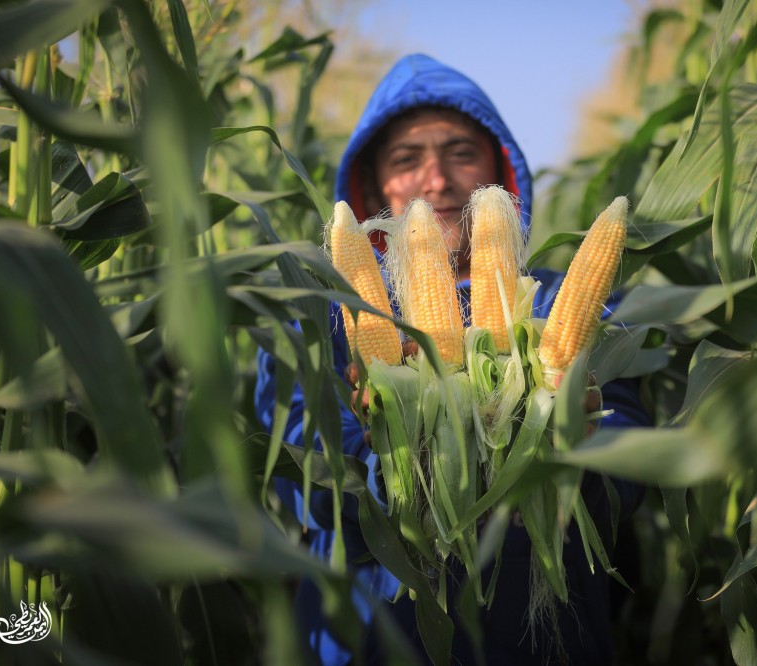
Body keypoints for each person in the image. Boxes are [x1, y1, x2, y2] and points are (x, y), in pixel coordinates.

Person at [254, 53, 650, 665]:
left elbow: (631, 447)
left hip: (542, 644)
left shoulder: (565, 299)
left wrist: (578, 447)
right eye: (407, 159)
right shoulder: (326, 316)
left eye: (461, 152)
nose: (436, 180)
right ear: (375, 188)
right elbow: (299, 461)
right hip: (377, 639)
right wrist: (388, 458)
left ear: (500, 171)